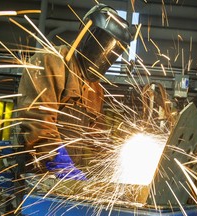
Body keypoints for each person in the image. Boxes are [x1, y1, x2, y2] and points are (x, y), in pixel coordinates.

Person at [16, 3, 132, 180]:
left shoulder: (95, 89)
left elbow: (96, 136)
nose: (104, 54)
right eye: (102, 44)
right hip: (39, 174)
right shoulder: (50, 61)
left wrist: (114, 162)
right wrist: (61, 163)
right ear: (85, 34)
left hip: (68, 178)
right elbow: (38, 122)